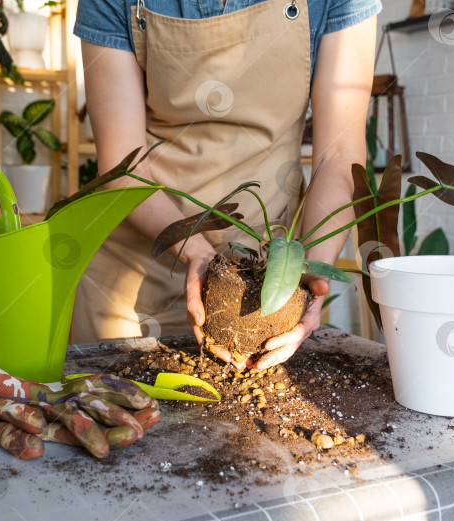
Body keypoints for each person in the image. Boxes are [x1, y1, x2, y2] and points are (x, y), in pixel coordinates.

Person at [71, 0, 380, 371]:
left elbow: (339, 157)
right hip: (133, 278)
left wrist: (301, 271)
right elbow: (124, 167)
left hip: (261, 290)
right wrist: (196, 252)